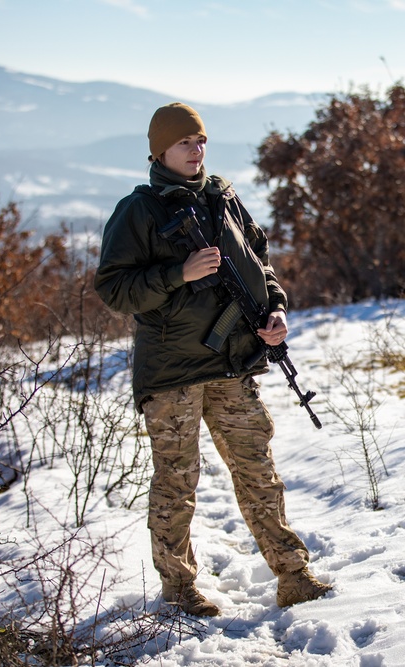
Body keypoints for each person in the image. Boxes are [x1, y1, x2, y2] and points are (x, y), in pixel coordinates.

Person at [94, 102, 331, 616]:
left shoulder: (223, 198)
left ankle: (293, 576)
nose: (196, 150)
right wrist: (178, 273)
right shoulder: (139, 211)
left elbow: (260, 265)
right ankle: (178, 590)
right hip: (172, 372)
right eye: (184, 143)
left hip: (234, 363)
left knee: (257, 470)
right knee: (177, 482)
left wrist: (276, 313)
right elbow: (114, 290)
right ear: (160, 151)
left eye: (200, 140)